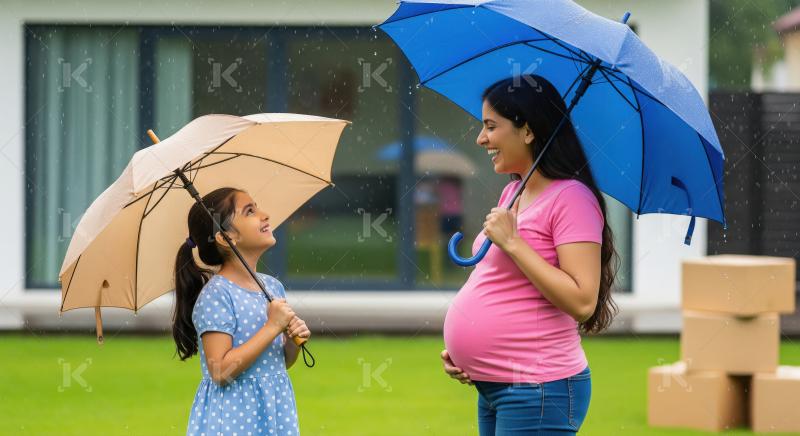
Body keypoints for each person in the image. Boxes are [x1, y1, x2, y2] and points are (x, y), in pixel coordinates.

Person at [441, 75, 620, 435]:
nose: (481, 138)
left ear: (527, 131)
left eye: (491, 126)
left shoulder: (572, 199)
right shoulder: (512, 194)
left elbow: (583, 300)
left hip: (538, 388)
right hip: (494, 386)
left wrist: (514, 243)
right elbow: (501, 284)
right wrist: (465, 353)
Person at [171, 187, 310, 436]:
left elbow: (279, 362)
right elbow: (220, 370)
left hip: (274, 410)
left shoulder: (272, 287)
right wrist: (271, 327)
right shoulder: (217, 295)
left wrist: (291, 342)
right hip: (234, 418)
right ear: (226, 238)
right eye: (250, 211)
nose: (264, 215)